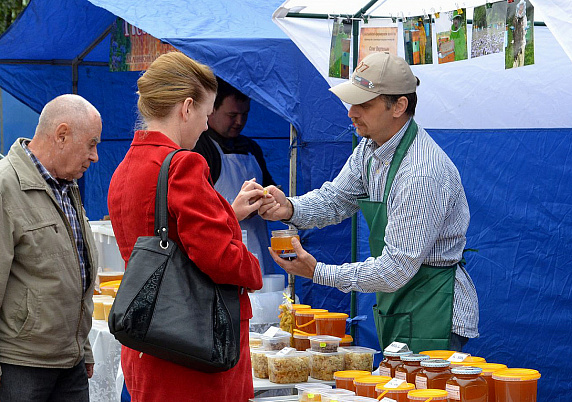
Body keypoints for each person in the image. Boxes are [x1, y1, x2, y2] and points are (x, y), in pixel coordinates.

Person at [260, 52, 479, 353]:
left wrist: (319, 272)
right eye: (352, 102)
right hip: (400, 301)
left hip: (434, 309)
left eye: (364, 104)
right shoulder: (369, 148)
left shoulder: (421, 172)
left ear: (399, 106)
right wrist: (291, 208)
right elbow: (336, 199)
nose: (351, 112)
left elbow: (396, 268)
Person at [107, 52, 264, 401]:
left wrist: (226, 216)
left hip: (149, 336)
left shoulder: (125, 169)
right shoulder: (183, 165)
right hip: (194, 346)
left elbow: (172, 235)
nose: (207, 126)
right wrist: (254, 268)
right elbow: (218, 257)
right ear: (187, 107)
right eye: (206, 115)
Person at [0, 94, 101, 401]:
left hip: (69, 363)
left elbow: (76, 273)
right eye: (91, 144)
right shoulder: (6, 187)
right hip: (22, 365)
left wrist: (83, 348)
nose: (95, 156)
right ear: (61, 135)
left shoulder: (66, 186)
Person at [193, 78, 276, 273]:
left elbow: (270, 186)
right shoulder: (199, 148)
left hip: (258, 248)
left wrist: (269, 198)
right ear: (211, 110)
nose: (239, 122)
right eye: (232, 115)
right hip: (222, 251)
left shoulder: (251, 148)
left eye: (244, 115)